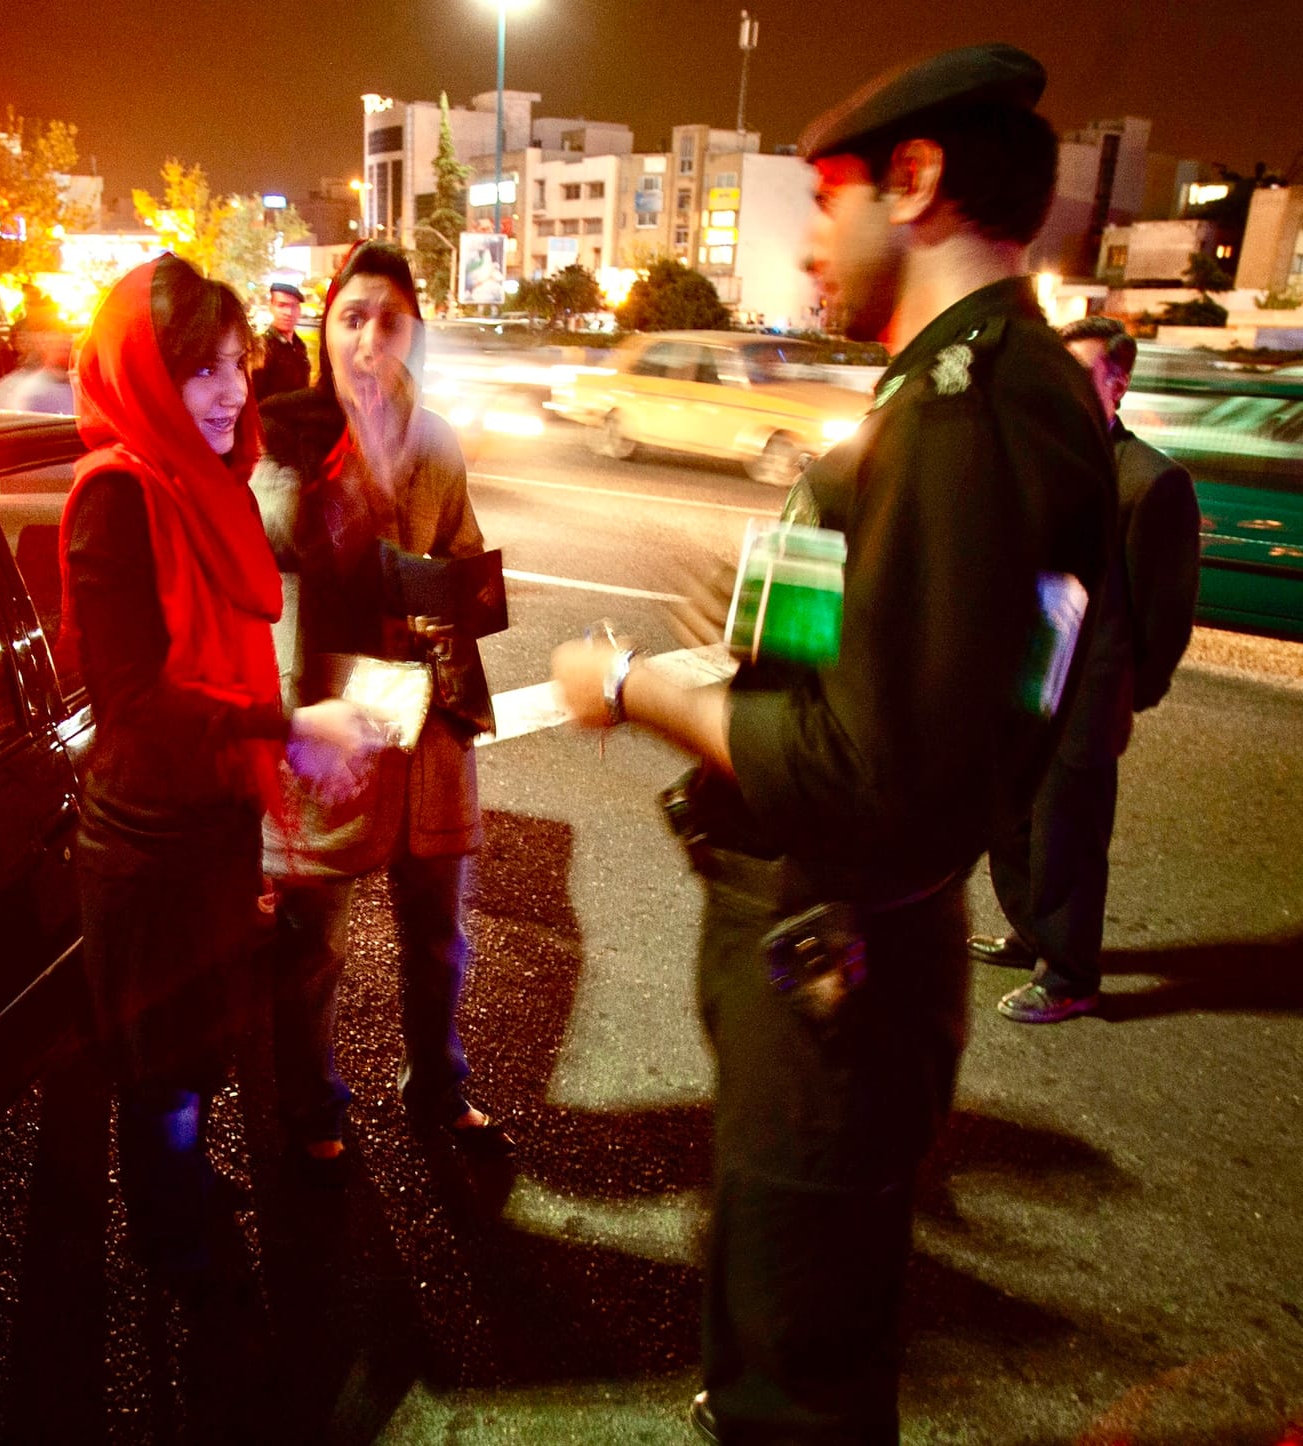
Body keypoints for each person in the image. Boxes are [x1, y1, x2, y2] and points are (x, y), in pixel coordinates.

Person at [549, 44, 1116, 1443]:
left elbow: (874, 768)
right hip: (857, 951)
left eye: (824, 200)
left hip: (837, 965)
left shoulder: (963, 408)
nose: (808, 245)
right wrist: (769, 645)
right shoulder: (990, 388)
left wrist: (645, 692)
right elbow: (947, 684)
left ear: (914, 184)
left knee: (796, 1373)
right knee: (790, 1308)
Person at [60, 253, 374, 1276]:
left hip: (208, 822)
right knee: (162, 1073)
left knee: (197, 1052)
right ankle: (172, 1238)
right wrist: (286, 725)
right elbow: (133, 703)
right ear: (142, 371)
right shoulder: (117, 496)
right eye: (200, 370)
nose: (231, 393)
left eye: (237, 367)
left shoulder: (212, 482)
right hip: (146, 844)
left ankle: (184, 1192)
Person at [255, 241, 511, 1186]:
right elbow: (280, 543)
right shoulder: (287, 431)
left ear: (415, 335)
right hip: (329, 720)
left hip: (427, 716)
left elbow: (468, 559)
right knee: (314, 945)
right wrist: (347, 490)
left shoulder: (437, 439)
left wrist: (449, 591)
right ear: (326, 328)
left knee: (439, 933)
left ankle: (437, 1083)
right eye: (351, 317)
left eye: (389, 322)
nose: (368, 340)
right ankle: (311, 1103)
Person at [975, 316, 1202, 1023]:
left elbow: (1165, 613)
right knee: (1008, 818)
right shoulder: (1042, 458)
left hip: (1092, 688)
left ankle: (1072, 975)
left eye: (1083, 375)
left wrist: (1134, 688)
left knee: (1069, 834)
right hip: (1023, 677)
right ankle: (1031, 931)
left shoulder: (1152, 480)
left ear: (1118, 382)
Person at [0, 329, 73, 414]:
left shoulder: (72, 383)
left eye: (67, 347)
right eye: (60, 348)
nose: (65, 352)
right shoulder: (34, 392)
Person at [252, 280, 311, 401]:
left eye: (293, 306)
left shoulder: (299, 345)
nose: (288, 313)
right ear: (271, 307)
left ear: (299, 310)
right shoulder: (262, 347)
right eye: (282, 305)